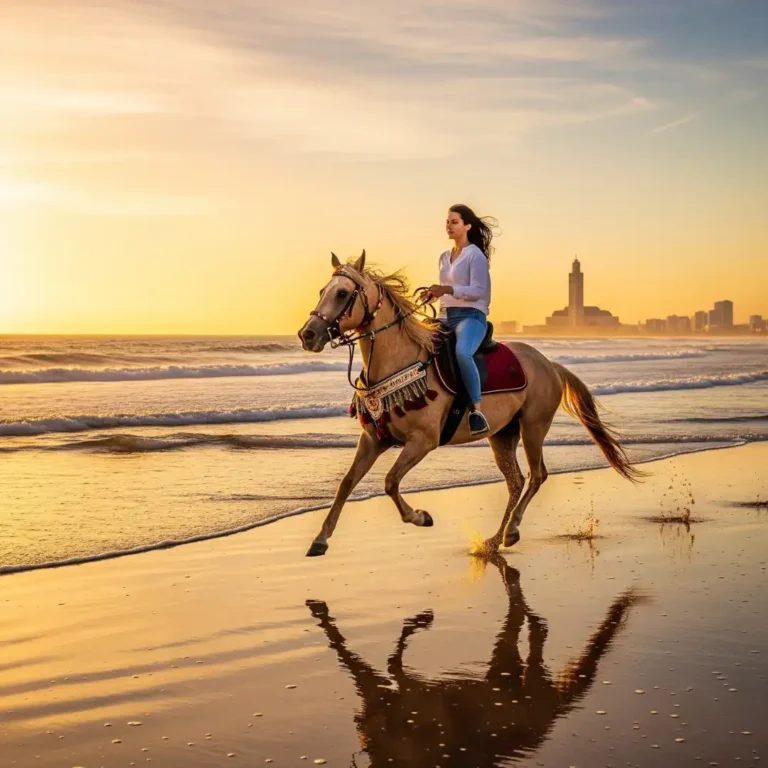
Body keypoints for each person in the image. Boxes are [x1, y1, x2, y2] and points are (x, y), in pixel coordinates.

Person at [425, 203, 495, 436]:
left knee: (462, 353)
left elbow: (477, 290)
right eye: (447, 222)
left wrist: (445, 288)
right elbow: (447, 293)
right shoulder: (444, 257)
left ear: (467, 225)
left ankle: (476, 411)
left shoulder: (475, 255)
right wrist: (433, 295)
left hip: (472, 317)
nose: (449, 226)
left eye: (454, 222)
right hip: (447, 316)